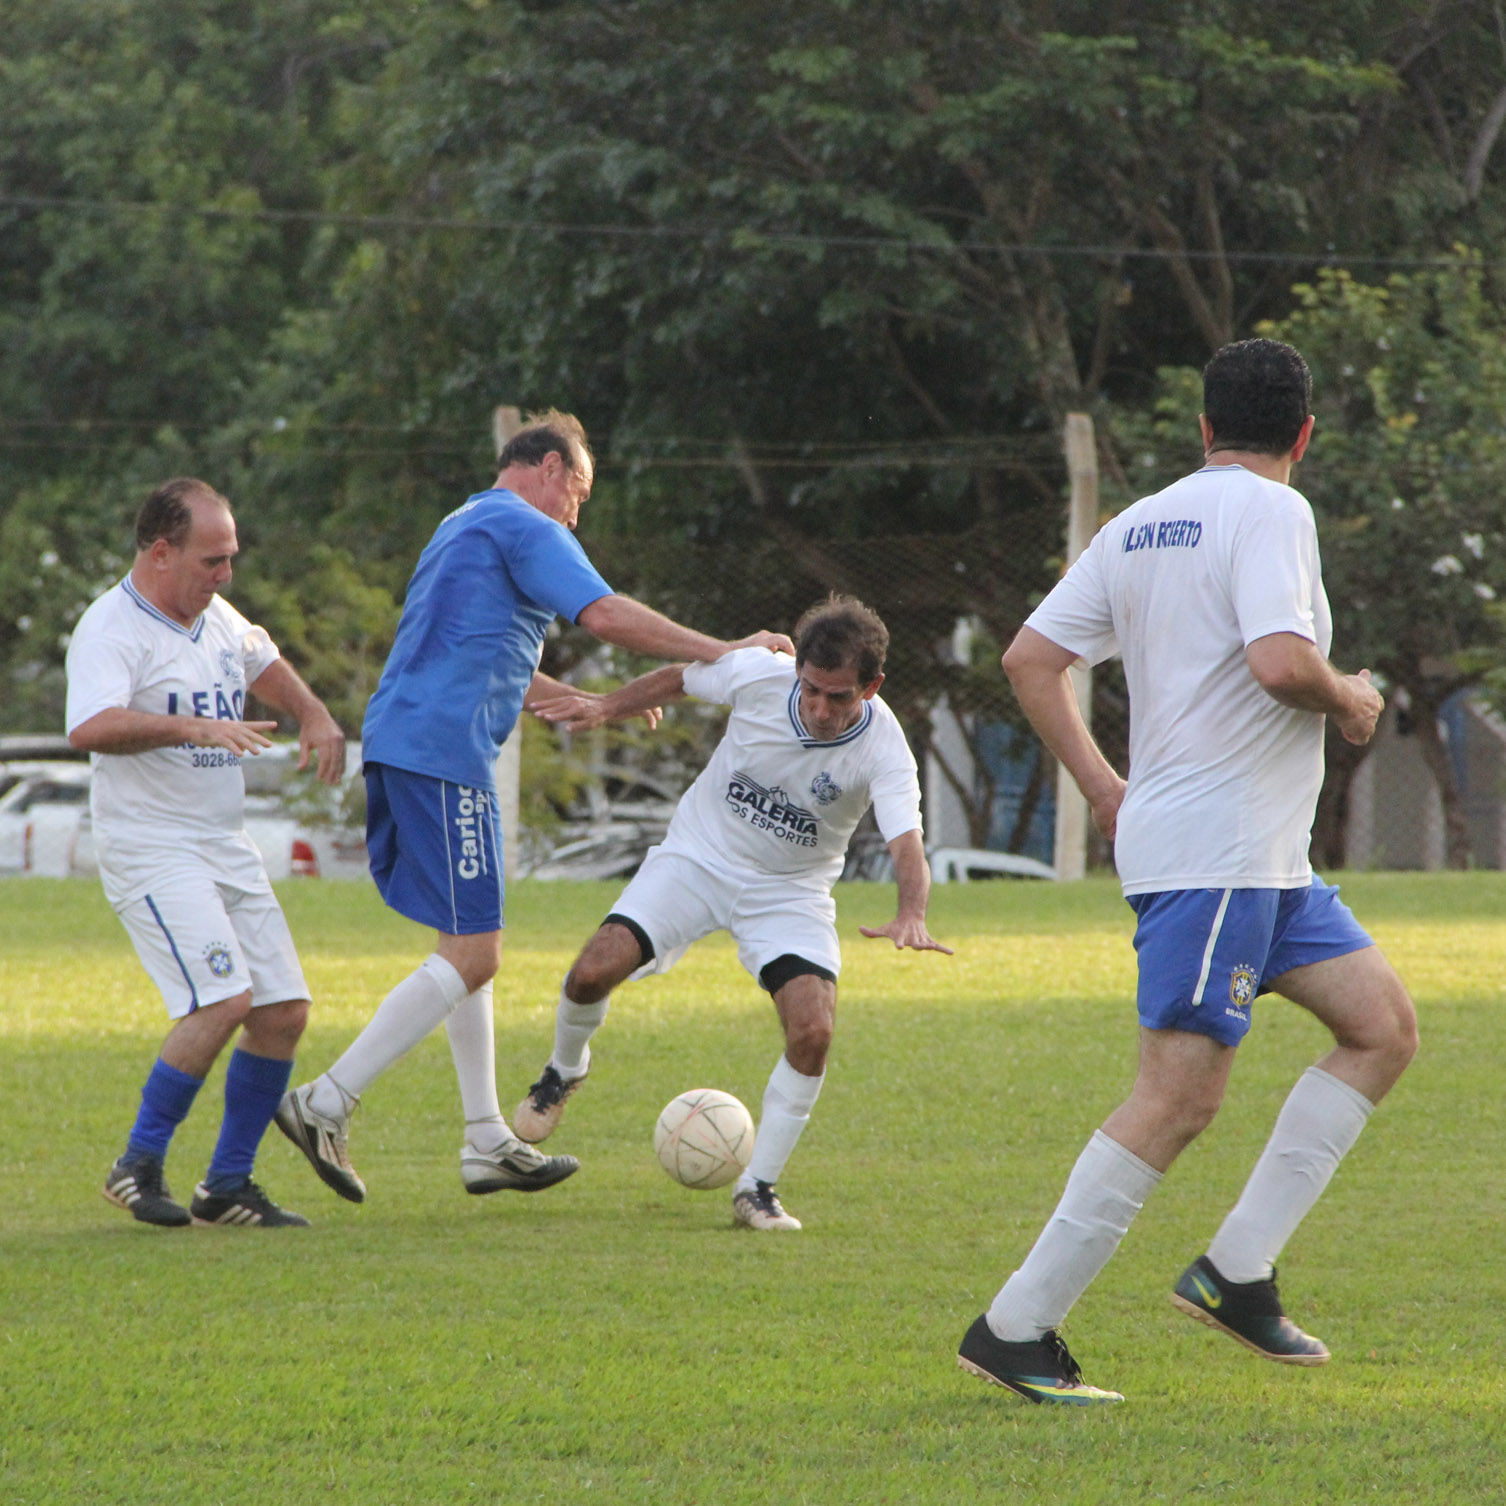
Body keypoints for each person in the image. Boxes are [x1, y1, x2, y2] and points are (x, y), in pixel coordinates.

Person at [957, 338, 1418, 1405]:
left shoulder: (1140, 520)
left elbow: (1031, 659)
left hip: (1260, 861)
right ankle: (1016, 1328)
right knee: (1175, 1099)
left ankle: (1237, 1272)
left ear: (1203, 429)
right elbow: (1280, 662)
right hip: (1219, 860)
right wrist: (1351, 697)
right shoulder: (1274, 512)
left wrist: (1104, 785)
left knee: (1382, 1027)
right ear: (1304, 436)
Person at [275, 410, 794, 1204]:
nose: (575, 516)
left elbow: (481, 659)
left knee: (467, 947)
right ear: (549, 468)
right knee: (475, 955)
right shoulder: (526, 522)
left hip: (414, 744)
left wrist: (590, 699)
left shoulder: (462, 524)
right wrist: (730, 652)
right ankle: (325, 1102)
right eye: (577, 494)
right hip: (443, 756)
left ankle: (487, 1140)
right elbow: (608, 614)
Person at [512, 593, 952, 1230]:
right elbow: (680, 677)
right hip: (696, 859)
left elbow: (906, 841)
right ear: (796, 668)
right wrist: (609, 706)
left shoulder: (884, 748)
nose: (822, 708)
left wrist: (911, 910)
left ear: (872, 686)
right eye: (812, 690)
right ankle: (563, 1070)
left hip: (789, 893)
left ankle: (758, 1187)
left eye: (840, 697)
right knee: (588, 974)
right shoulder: (760, 677)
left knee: (814, 1032)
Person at [66, 477, 347, 1229]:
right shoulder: (111, 627)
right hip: (152, 847)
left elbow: (261, 659)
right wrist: (189, 728)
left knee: (283, 1011)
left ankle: (227, 1184)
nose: (225, 575)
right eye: (211, 560)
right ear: (161, 551)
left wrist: (314, 713)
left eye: (231, 559)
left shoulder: (215, 615)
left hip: (223, 844)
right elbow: (88, 726)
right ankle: (138, 1165)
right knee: (225, 999)